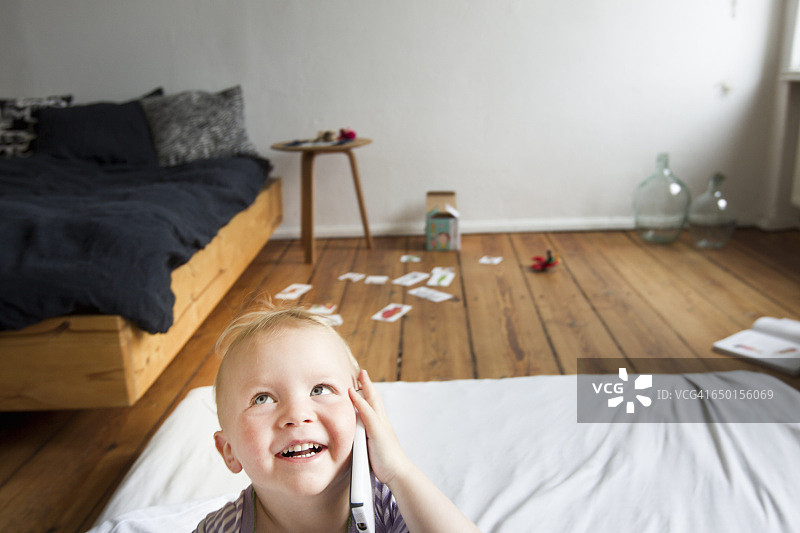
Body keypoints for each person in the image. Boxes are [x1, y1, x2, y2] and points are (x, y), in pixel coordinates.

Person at [196, 304, 480, 533]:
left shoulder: (392, 506)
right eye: (262, 398)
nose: (297, 415)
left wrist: (398, 470)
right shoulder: (221, 528)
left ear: (362, 414)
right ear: (228, 451)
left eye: (320, 389)